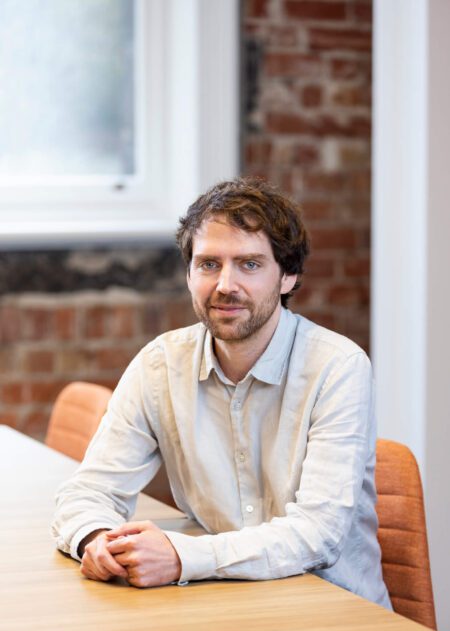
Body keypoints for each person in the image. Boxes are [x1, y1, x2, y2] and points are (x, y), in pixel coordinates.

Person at [52, 176, 391, 609]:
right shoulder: (160, 365)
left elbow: (316, 535)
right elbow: (88, 491)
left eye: (249, 264)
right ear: (190, 273)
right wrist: (96, 538)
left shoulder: (337, 368)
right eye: (209, 264)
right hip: (221, 604)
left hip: (333, 614)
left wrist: (180, 556)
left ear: (288, 276)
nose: (225, 285)